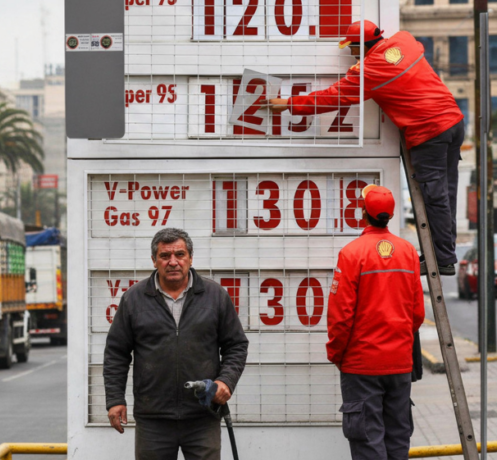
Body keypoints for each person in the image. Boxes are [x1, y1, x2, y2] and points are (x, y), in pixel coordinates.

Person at [268, 20, 464, 276]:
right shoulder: (405, 40)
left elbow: (331, 97)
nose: (351, 54)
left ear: (361, 46)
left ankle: (442, 260)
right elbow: (409, 52)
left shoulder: (369, 72)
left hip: (429, 133)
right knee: (446, 194)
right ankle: (444, 255)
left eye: (352, 48)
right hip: (453, 122)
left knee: (434, 198)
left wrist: (288, 104)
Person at [103, 228, 249, 460]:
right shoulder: (133, 299)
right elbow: (116, 353)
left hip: (203, 417)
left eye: (180, 254)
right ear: (154, 260)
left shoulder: (215, 296)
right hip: (153, 420)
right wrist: (115, 400)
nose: (173, 262)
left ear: (190, 258)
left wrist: (225, 381)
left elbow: (236, 345)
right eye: (165, 256)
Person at [327, 185, 425, 460]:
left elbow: (340, 315)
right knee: (397, 441)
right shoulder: (408, 252)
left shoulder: (351, 254)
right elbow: (417, 312)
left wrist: (337, 354)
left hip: (361, 365)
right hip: (399, 364)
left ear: (363, 213)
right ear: (390, 215)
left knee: (368, 443)